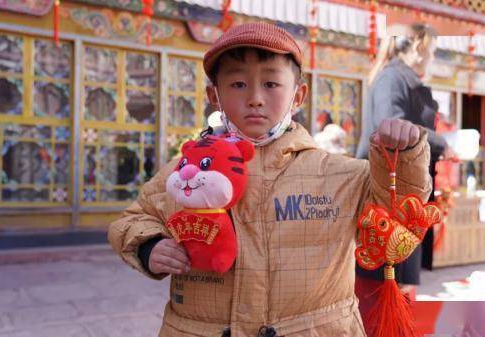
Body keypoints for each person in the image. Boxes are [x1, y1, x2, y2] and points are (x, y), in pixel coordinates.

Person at [108, 22, 432, 337]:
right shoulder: (186, 171)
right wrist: (150, 246)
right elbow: (134, 219)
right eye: (237, 84)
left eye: (271, 84)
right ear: (214, 95)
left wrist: (405, 156)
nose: (255, 98)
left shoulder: (340, 174)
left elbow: (400, 211)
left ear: (299, 95)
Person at [354, 23, 455, 332]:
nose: (432, 58)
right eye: (432, 52)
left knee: (401, 281)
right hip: (387, 193)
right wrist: (442, 143)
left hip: (405, 189)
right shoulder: (391, 79)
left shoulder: (403, 79)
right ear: (416, 48)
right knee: (380, 283)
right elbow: (392, 126)